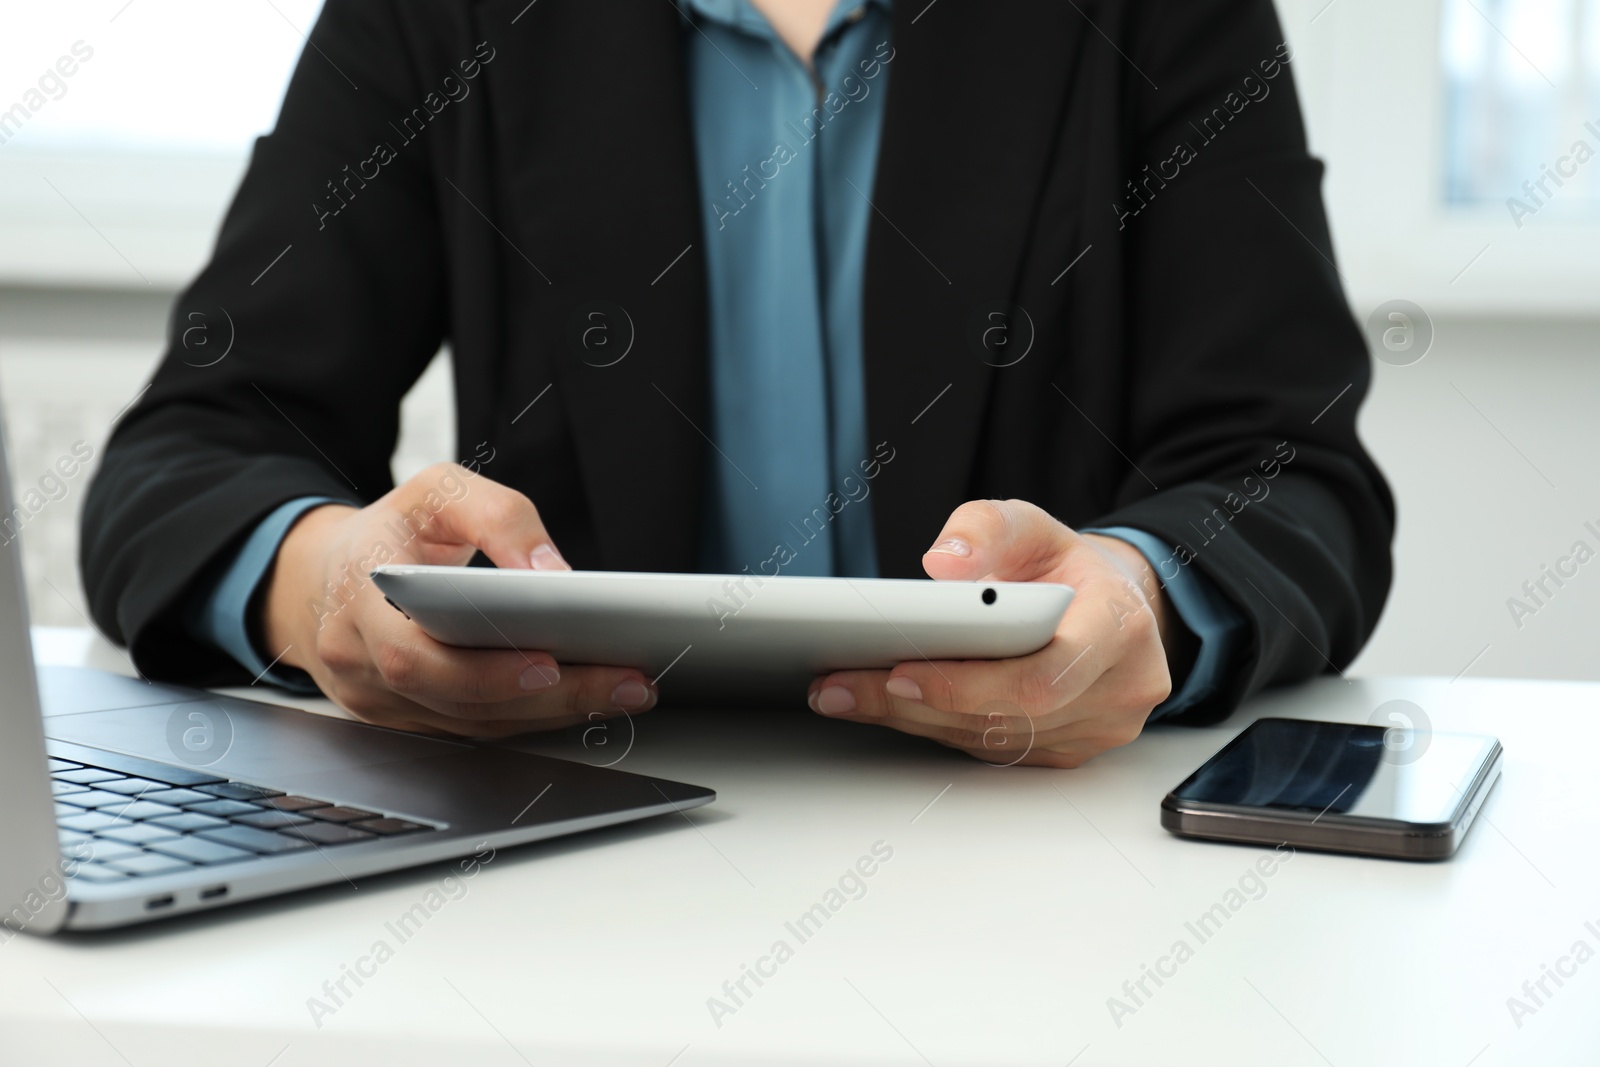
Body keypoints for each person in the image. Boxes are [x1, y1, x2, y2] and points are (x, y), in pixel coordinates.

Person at [81, 0, 1394, 768]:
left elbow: (1296, 473)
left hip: (1035, 860)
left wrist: (1140, 592)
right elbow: (193, 450)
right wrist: (328, 597)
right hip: (576, 843)